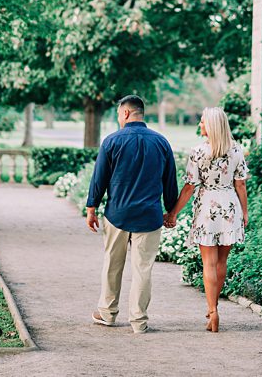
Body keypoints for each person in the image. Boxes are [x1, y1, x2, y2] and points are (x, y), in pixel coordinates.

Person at [86, 95, 178, 334]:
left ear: (125, 113)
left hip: (118, 213)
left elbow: (99, 178)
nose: (118, 118)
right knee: (143, 269)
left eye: (119, 114)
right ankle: (139, 321)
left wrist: (91, 207)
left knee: (112, 265)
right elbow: (169, 182)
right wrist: (171, 211)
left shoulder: (112, 141)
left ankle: (107, 313)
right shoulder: (161, 142)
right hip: (149, 216)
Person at [164, 106, 249, 332]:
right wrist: (245, 212)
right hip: (230, 206)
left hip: (206, 208)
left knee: (208, 263)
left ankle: (212, 311)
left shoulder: (198, 151)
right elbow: (240, 184)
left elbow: (190, 187)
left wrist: (173, 213)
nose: (199, 125)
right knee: (222, 262)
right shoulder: (236, 150)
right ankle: (215, 305)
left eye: (202, 121)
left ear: (211, 125)